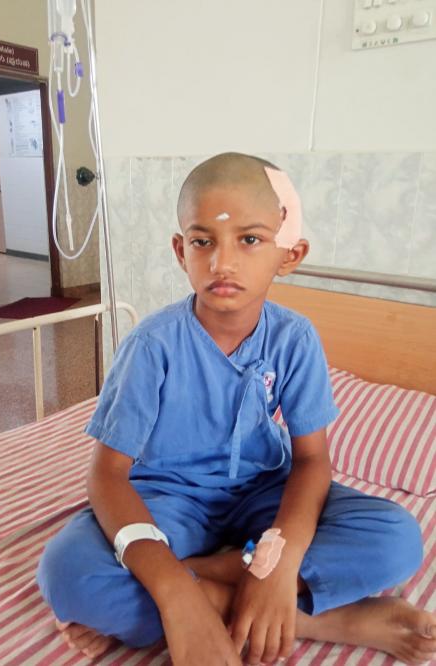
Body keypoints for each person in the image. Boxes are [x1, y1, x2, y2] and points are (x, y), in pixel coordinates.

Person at [37, 152, 435, 665]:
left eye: (249, 239)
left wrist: (277, 562)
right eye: (203, 241)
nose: (222, 262)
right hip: (169, 501)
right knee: (67, 574)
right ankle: (329, 619)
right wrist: (175, 594)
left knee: (396, 539)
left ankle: (199, 581)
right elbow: (108, 476)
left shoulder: (294, 339)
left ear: (289, 254)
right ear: (181, 251)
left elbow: (312, 460)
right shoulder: (152, 345)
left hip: (263, 493)